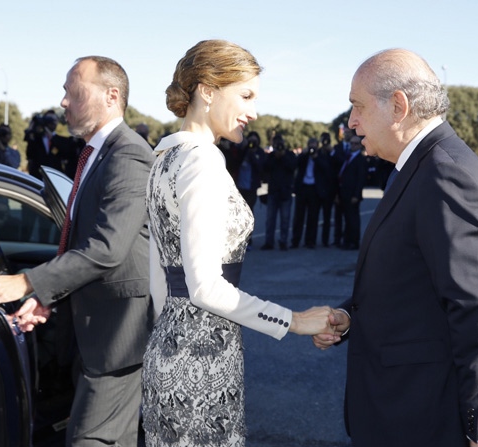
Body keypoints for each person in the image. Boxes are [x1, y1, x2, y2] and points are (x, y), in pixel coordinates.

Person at [142, 39, 336, 447]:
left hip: (167, 351)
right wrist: (294, 320)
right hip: (203, 362)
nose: (254, 112)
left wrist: (169, 339)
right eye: (245, 96)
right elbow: (206, 288)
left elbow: (159, 276)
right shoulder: (201, 161)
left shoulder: (163, 159)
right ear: (207, 91)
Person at [313, 48, 478, 447]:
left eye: (358, 106)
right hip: (404, 407)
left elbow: (471, 309)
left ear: (398, 106)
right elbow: (411, 280)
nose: (351, 122)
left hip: (426, 417)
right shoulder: (419, 167)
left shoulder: (445, 174)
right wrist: (350, 315)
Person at [0, 55, 155, 446]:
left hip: (116, 338)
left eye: (74, 92)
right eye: (65, 93)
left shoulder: (128, 154)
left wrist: (25, 282)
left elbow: (106, 248)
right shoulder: (95, 153)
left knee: (89, 439)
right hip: (94, 337)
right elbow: (77, 243)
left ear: (111, 96)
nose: (64, 102)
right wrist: (46, 298)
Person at [261, 133, 297, 250]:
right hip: (273, 191)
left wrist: (283, 156)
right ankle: (269, 242)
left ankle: (283, 241)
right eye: (277, 145)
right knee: (270, 219)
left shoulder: (290, 154)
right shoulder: (271, 156)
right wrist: (275, 157)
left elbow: (292, 167)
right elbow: (265, 167)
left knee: (285, 219)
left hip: (286, 192)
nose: (279, 147)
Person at [337, 134, 367, 250]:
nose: (353, 145)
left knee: (353, 219)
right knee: (346, 218)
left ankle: (354, 242)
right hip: (344, 192)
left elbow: (361, 179)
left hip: (352, 194)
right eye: (351, 143)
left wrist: (356, 195)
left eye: (356, 143)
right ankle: (346, 240)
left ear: (360, 145)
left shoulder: (360, 159)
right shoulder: (347, 156)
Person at [291, 137, 321, 249]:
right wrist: (303, 154)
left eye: (314, 144)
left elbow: (325, 168)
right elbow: (295, 164)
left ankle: (310, 241)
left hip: (314, 189)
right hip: (302, 188)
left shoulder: (320, 156)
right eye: (310, 144)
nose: (312, 147)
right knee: (299, 216)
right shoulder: (304, 156)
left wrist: (316, 158)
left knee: (313, 216)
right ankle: (295, 240)